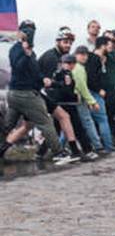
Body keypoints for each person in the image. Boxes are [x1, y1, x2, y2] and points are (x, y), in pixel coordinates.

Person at [0, 20, 67, 164]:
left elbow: (35, 74)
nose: (30, 33)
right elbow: (18, 68)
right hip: (24, 94)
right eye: (27, 30)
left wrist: (48, 81)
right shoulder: (17, 50)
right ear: (20, 33)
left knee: (7, 126)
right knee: (45, 122)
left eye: (32, 30)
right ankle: (59, 153)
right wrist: (26, 53)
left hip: (19, 94)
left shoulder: (31, 52)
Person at [72, 45, 113, 154]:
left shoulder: (75, 67)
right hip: (79, 98)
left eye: (85, 55)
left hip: (73, 99)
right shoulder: (79, 68)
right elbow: (82, 87)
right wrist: (92, 101)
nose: (84, 57)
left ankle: (61, 147)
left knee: (71, 123)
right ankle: (99, 146)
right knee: (89, 121)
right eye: (81, 54)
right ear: (76, 55)